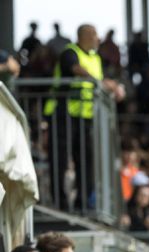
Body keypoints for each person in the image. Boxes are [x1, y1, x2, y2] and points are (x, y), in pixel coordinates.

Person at [43, 24, 125, 211]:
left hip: (85, 116)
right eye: (95, 35)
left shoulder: (96, 58)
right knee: (60, 159)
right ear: (85, 35)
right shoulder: (69, 52)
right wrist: (100, 82)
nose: (98, 39)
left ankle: (83, 203)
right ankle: (60, 203)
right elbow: (75, 68)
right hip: (63, 113)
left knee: (85, 160)